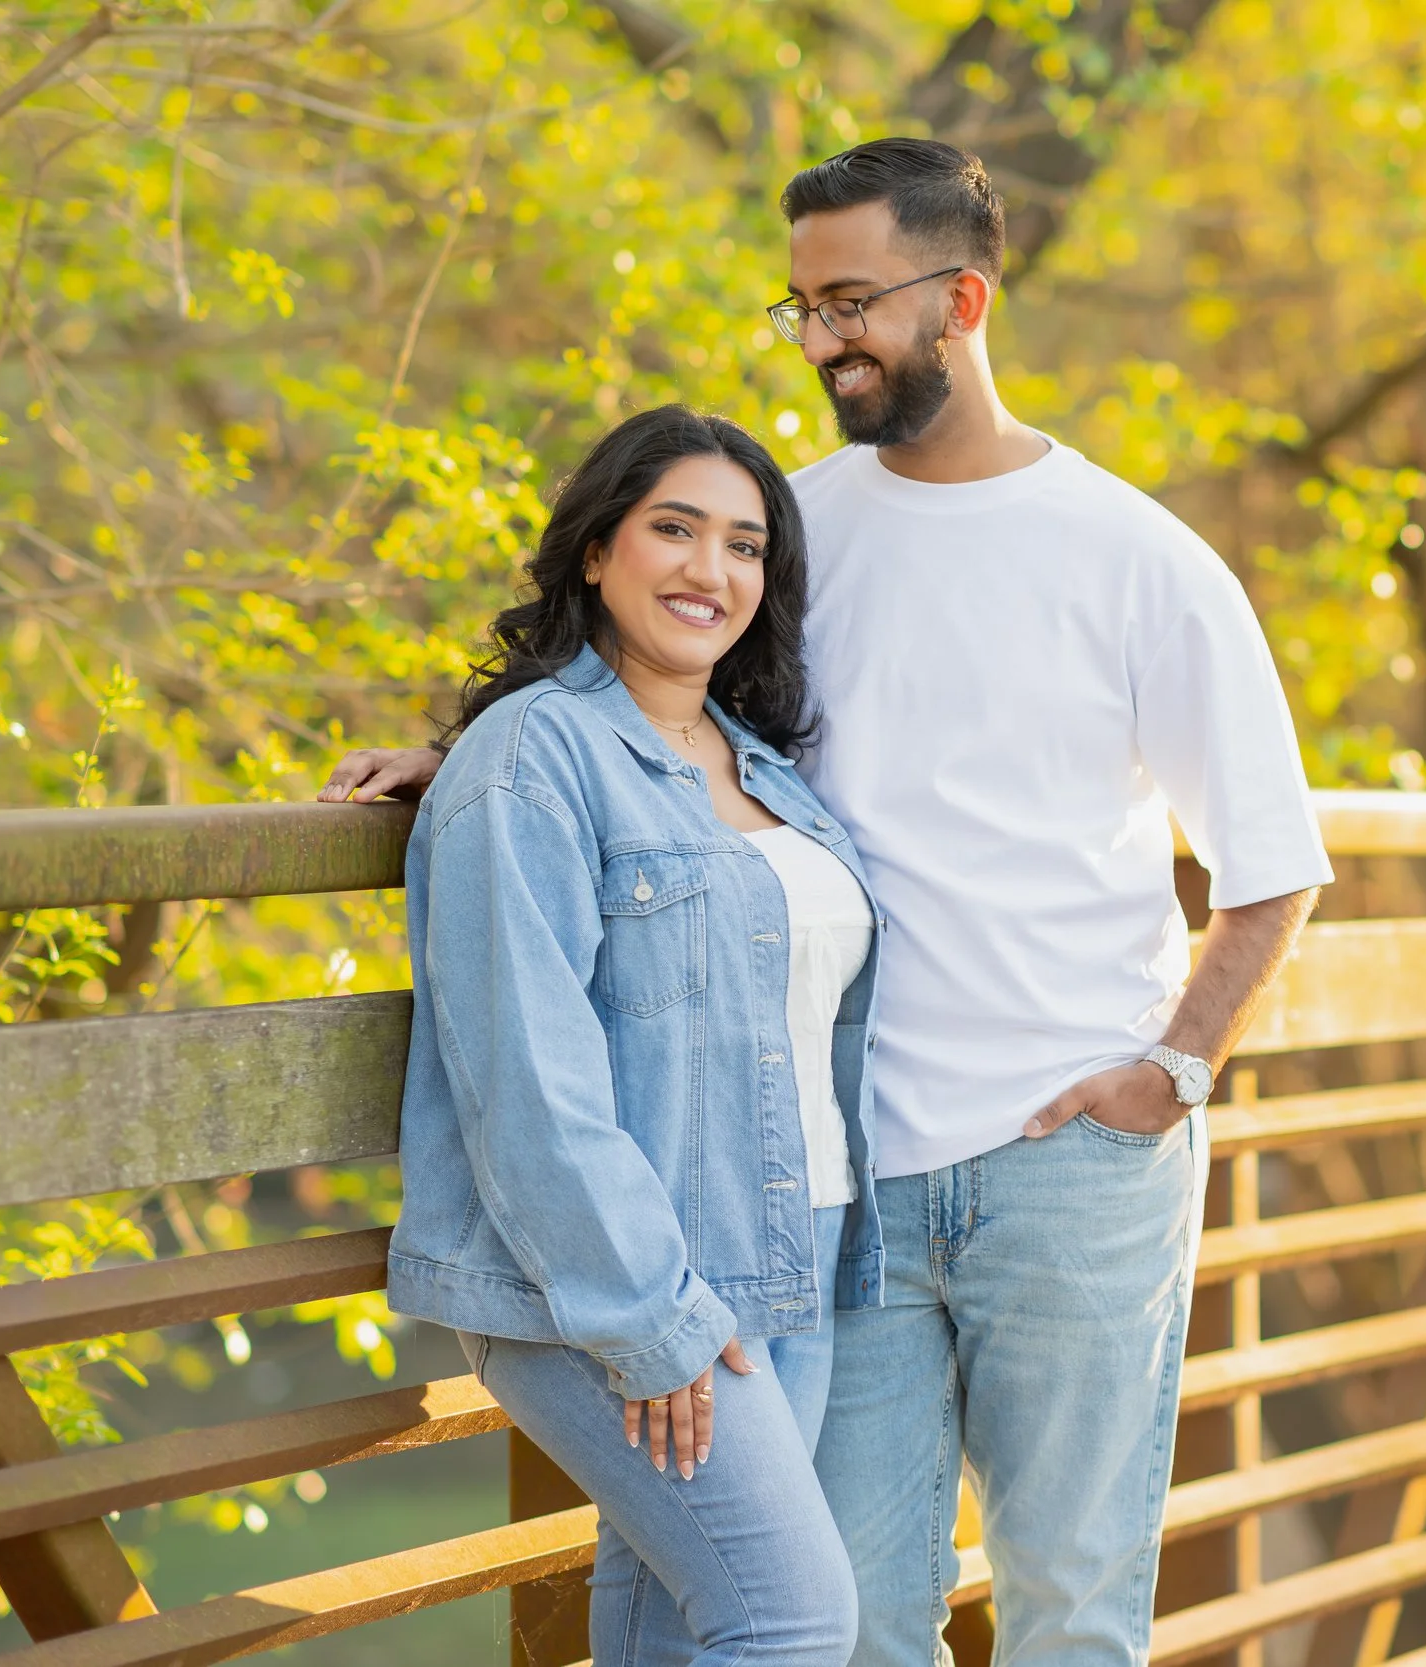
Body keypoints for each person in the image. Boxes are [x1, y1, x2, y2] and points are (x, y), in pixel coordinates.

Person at [327, 139, 1332, 1667]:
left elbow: (1274, 867)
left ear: (964, 296)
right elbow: (659, 708)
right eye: (799, 306)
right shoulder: (785, 528)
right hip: (834, 1187)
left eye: (852, 301)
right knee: (850, 1624)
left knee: (1070, 1611)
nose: (820, 340)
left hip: (1072, 1161)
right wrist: (473, 753)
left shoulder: (1143, 559)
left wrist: (1173, 1070)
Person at [382, 404, 883, 1667]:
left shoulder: (762, 764)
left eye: (744, 544)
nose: (709, 571)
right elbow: (524, 1074)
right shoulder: (526, 760)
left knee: (681, 1622)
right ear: (596, 551)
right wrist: (644, 1312)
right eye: (674, 528)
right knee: (790, 1620)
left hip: (794, 1250)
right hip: (618, 1274)